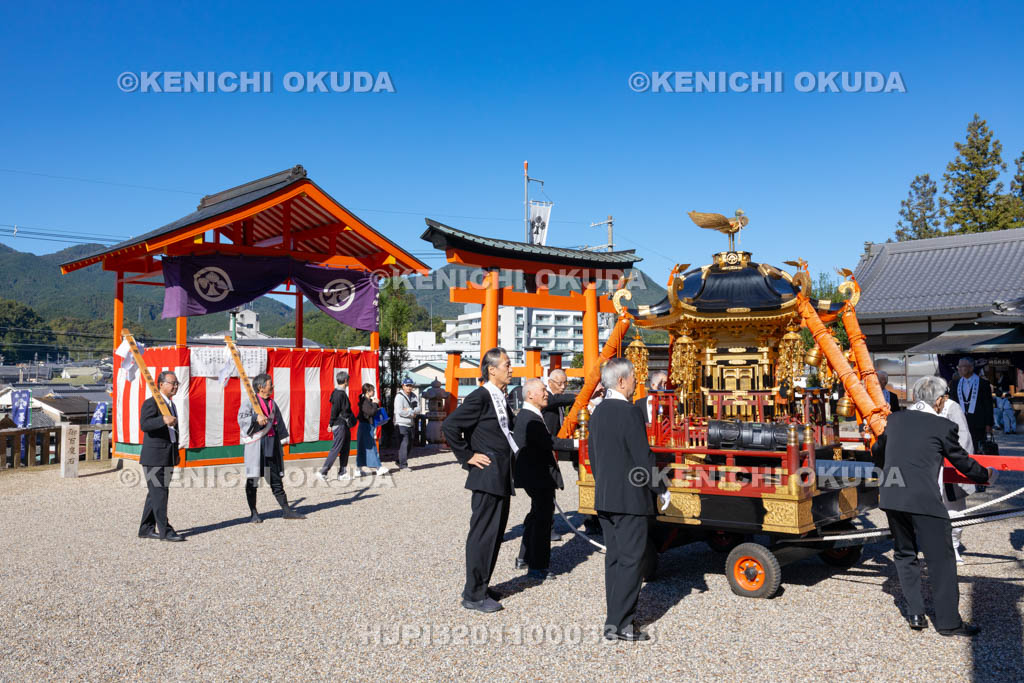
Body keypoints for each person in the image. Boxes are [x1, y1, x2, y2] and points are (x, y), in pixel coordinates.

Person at [872, 376, 992, 637]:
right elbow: (961, 460)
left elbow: (878, 450)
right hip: (924, 499)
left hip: (892, 496)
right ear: (938, 400)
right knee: (941, 560)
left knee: (905, 554)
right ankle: (949, 623)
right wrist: (985, 475)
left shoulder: (895, 420)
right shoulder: (942, 425)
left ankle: (915, 613)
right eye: (944, 398)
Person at [589, 357, 669, 642]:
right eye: (634, 376)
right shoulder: (629, 412)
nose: (637, 381)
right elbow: (642, 457)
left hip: (606, 496)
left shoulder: (598, 411)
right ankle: (621, 623)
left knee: (615, 559)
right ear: (621, 381)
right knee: (632, 560)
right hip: (629, 499)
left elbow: (594, 457)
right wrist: (661, 487)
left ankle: (614, 618)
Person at [442, 347, 518, 614]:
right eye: (507, 365)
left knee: (495, 534)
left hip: (500, 474)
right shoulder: (481, 396)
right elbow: (450, 426)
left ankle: (481, 585)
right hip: (487, 475)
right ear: (492, 370)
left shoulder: (499, 397)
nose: (511, 369)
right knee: (483, 534)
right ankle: (473, 594)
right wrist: (468, 456)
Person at [513, 378, 578, 580]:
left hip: (535, 474)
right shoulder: (529, 417)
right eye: (542, 390)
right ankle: (538, 566)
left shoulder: (531, 414)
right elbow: (549, 442)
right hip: (538, 475)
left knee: (536, 515)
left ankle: (524, 557)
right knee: (542, 519)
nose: (546, 393)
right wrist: (577, 444)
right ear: (530, 394)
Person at [240, 374, 305, 522]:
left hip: (271, 446)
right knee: (253, 480)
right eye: (270, 384)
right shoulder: (250, 402)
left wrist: (281, 441)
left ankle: (286, 510)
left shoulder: (272, 404)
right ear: (261, 387)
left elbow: (279, 423)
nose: (273, 387)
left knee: (275, 479)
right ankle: (253, 513)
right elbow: (241, 419)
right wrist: (255, 418)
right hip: (256, 447)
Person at [138, 371, 185, 542]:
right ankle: (166, 531)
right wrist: (162, 420)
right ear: (161, 384)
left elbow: (173, 432)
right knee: (160, 493)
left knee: (155, 494)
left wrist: (175, 452)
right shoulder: (151, 403)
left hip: (167, 454)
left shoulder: (171, 405)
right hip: (154, 456)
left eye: (177, 383)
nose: (175, 386)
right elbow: (145, 424)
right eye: (172, 383)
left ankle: (146, 528)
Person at [541, 368, 578, 541]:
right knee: (546, 490)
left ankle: (538, 523)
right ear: (550, 382)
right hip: (545, 447)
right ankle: (546, 528)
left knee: (547, 490)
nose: (563, 387)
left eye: (565, 383)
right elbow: (556, 400)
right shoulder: (546, 397)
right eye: (560, 383)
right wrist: (580, 396)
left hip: (554, 445)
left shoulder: (557, 398)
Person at [317, 371, 358, 481]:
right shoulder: (339, 394)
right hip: (340, 425)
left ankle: (342, 473)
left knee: (345, 448)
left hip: (342, 425)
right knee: (336, 448)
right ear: (345, 380)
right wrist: (331, 423)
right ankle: (323, 472)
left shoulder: (337, 393)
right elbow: (334, 410)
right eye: (348, 380)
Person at [948, 357, 994, 450]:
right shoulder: (955, 384)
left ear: (971, 368)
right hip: (960, 421)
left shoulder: (983, 383)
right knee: (961, 447)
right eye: (958, 367)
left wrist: (988, 424)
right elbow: (952, 403)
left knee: (977, 448)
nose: (959, 369)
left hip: (978, 423)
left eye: (962, 366)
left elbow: (988, 405)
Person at [355, 384, 388, 477]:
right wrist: (375, 403)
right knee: (372, 447)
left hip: (365, 426)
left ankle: (358, 469)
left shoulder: (366, 401)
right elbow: (371, 412)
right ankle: (378, 468)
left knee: (362, 448)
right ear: (367, 391)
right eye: (372, 390)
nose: (374, 392)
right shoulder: (364, 401)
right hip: (366, 426)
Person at [394, 377, 420, 470]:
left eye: (410, 385)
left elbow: (418, 409)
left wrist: (408, 410)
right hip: (401, 424)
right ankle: (403, 465)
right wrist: (412, 413)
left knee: (409, 445)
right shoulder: (399, 397)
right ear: (403, 386)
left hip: (411, 424)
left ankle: (399, 460)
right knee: (404, 444)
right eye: (407, 385)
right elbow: (400, 411)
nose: (409, 387)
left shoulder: (414, 396)